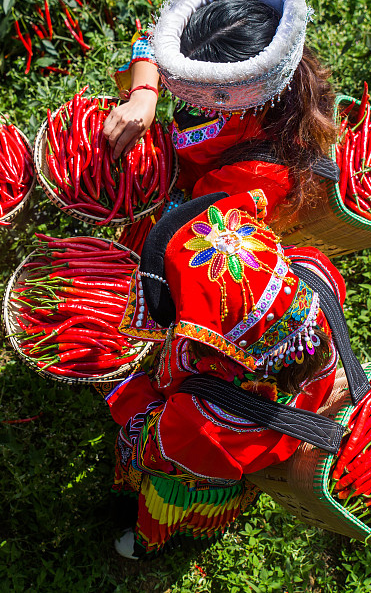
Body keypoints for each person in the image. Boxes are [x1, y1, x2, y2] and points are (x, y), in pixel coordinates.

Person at [105, 189, 346, 559]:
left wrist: (129, 394)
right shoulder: (313, 284)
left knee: (169, 491)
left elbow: (160, 447)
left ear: (213, 344)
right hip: (285, 418)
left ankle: (146, 543)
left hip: (202, 462)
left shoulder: (205, 417)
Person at [104, 0, 339, 228]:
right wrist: (144, 94)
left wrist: (150, 187)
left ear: (234, 93)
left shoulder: (259, 174)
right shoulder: (237, 53)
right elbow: (151, 41)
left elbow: (196, 218)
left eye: (195, 91)